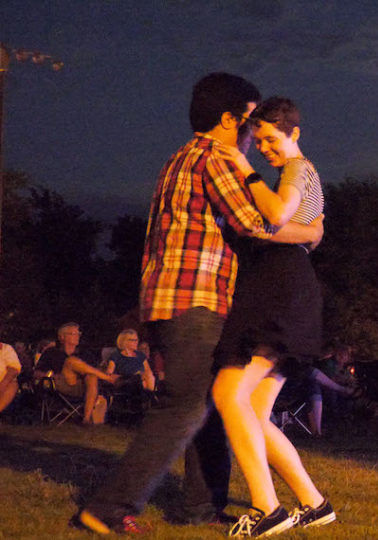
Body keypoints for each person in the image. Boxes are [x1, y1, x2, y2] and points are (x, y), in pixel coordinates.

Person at [75, 73, 323, 535]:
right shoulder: (216, 157)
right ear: (229, 120)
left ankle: (200, 506)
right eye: (250, 122)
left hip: (173, 296)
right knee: (184, 406)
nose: (253, 135)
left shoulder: (181, 156)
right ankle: (107, 508)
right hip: (195, 297)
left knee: (208, 400)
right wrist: (310, 233)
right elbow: (255, 223)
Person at [210, 96, 335, 536]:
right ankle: (314, 504)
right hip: (291, 287)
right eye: (257, 140)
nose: (264, 147)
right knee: (256, 414)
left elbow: (278, 216)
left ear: (293, 132)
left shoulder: (298, 170)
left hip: (280, 290)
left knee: (229, 393)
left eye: (270, 138)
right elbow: (307, 232)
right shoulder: (301, 175)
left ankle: (268, 511)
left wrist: (244, 170)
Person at [35, 322, 118, 425]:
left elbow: (94, 370)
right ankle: (108, 378)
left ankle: (86, 419)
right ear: (62, 337)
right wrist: (50, 376)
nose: (77, 336)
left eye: (78, 333)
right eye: (73, 333)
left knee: (91, 377)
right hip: (61, 384)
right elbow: (36, 373)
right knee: (71, 361)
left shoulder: (85, 353)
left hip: (83, 387)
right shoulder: (51, 352)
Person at [0, 339, 20, 415]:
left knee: (12, 385)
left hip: (3, 383)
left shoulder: (6, 349)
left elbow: (14, 369)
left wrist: (3, 384)